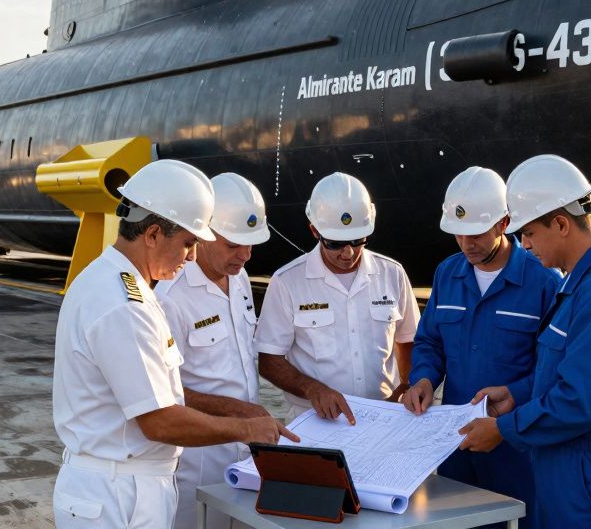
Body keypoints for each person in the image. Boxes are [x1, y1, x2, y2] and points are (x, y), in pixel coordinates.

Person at [52, 160, 296, 529]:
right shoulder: (123, 305)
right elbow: (160, 421)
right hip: (118, 492)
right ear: (151, 235)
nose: (193, 255)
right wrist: (247, 428)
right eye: (187, 243)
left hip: (127, 483)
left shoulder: (117, 284)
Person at [458, 154, 591, 528]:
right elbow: (566, 372)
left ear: (562, 223)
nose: (526, 246)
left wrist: (504, 429)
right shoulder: (580, 282)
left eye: (530, 233)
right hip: (567, 471)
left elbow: (581, 402)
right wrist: (517, 392)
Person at [402, 167, 559, 529]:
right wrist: (423, 379)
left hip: (516, 444)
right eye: (458, 234)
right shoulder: (448, 273)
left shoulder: (543, 280)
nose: (466, 243)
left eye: (475, 233)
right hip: (456, 445)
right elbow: (430, 340)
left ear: (504, 223)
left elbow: (556, 366)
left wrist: (517, 395)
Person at [156, 173, 272, 529]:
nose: (245, 255)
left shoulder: (238, 278)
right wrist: (237, 411)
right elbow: (163, 394)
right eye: (234, 244)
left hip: (246, 453)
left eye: (251, 245)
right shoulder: (170, 297)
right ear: (204, 234)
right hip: (198, 460)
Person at [256, 172, 420, 422]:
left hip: (384, 419)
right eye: (336, 243)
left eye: (358, 240)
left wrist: (406, 385)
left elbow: (409, 340)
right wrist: (313, 389)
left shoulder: (392, 273)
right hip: (316, 423)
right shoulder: (287, 282)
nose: (348, 252)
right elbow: (268, 361)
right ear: (314, 230)